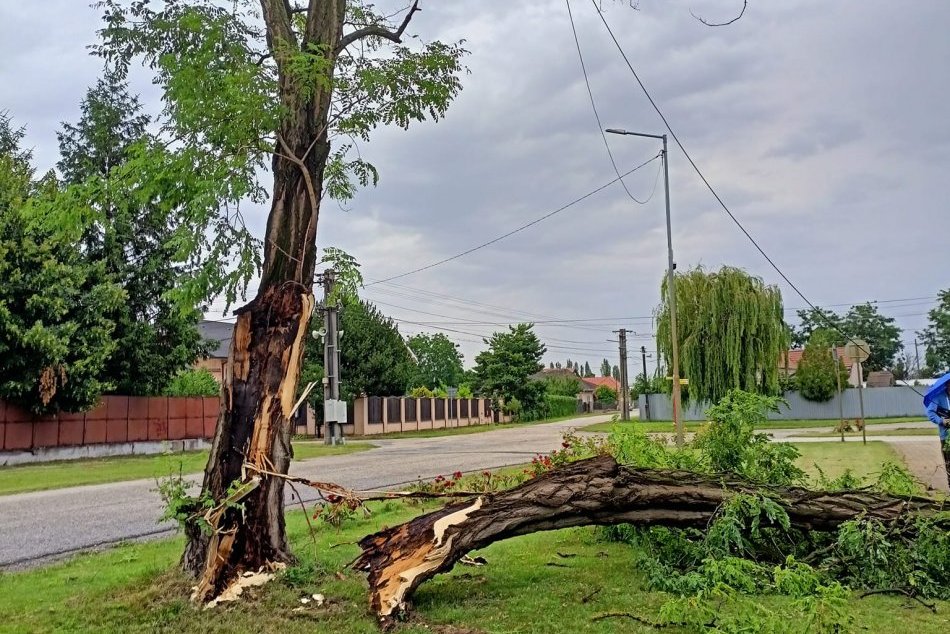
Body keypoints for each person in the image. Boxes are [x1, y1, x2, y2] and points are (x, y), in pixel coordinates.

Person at [925, 381, 950, 483]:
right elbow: (930, 413)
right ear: (947, 385)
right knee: (949, 463)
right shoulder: (938, 397)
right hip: (947, 437)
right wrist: (941, 421)